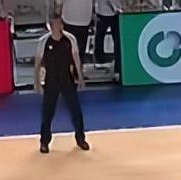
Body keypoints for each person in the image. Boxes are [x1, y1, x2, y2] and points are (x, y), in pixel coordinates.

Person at [35, 16, 89, 154]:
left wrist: (80, 77)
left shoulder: (70, 39)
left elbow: (76, 59)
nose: (57, 26)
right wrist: (36, 82)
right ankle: (44, 142)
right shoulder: (44, 41)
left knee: (75, 111)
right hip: (51, 80)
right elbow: (38, 62)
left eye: (59, 24)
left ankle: (81, 139)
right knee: (47, 112)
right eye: (55, 24)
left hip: (66, 79)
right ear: (50, 26)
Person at [61, 0, 94, 67]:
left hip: (75, 19)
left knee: (71, 51)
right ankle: (77, 70)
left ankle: (75, 70)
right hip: (79, 19)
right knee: (78, 52)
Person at [93, 0, 121, 79]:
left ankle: (116, 65)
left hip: (112, 13)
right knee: (100, 38)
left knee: (115, 40)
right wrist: (115, 8)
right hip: (105, 13)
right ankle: (99, 61)